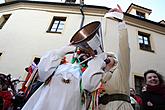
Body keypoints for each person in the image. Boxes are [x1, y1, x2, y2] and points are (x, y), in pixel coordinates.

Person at [21, 36, 117, 109]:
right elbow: (42, 74)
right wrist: (61, 51)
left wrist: (98, 60)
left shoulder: (92, 73)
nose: (86, 51)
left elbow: (89, 85)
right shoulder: (61, 65)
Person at [95, 5, 134, 110]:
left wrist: (121, 23)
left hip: (120, 107)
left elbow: (124, 49)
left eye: (109, 56)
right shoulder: (98, 75)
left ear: (115, 60)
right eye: (105, 57)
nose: (106, 58)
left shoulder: (121, 70)